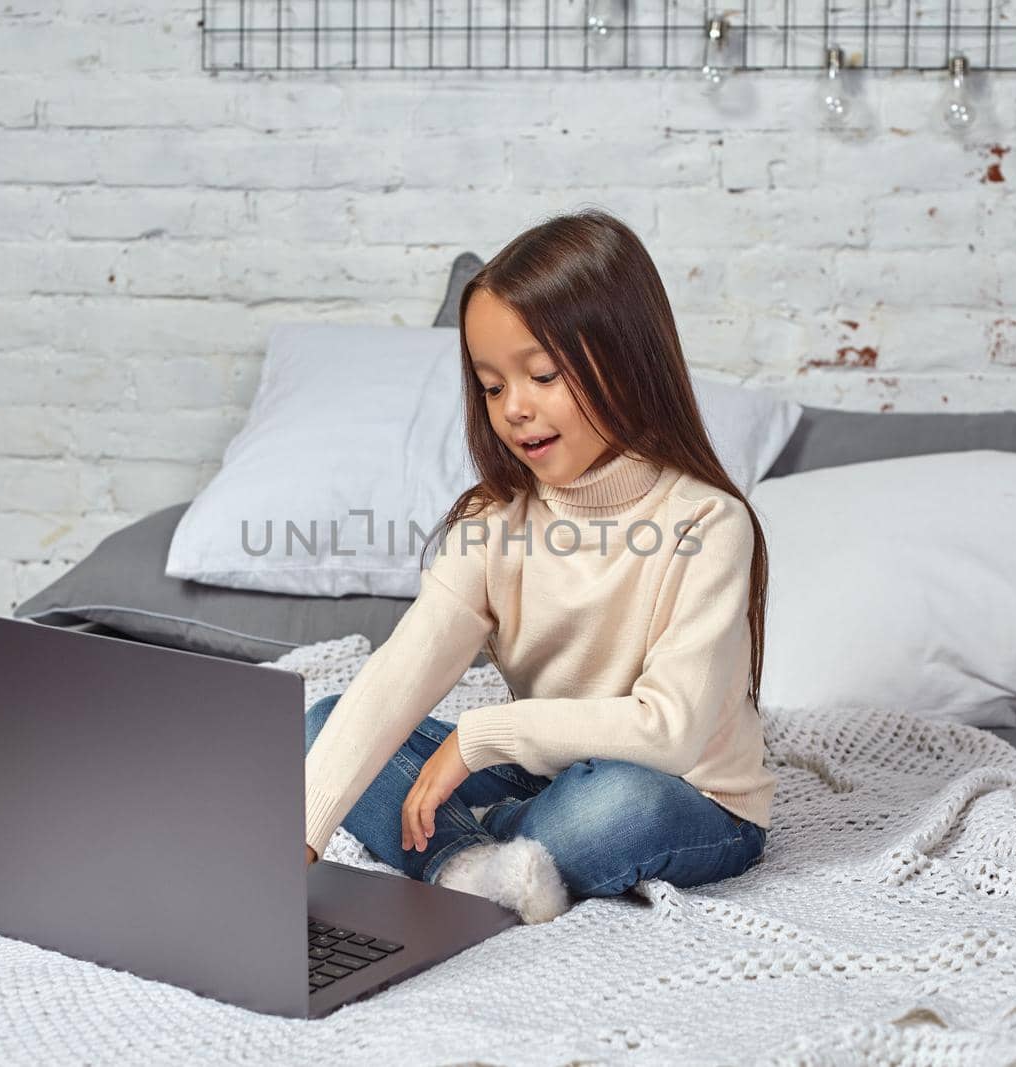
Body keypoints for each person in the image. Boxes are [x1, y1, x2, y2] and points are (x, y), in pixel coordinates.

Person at [303, 208, 777, 924]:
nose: (515, 409)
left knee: (617, 804)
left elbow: (670, 732)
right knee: (325, 722)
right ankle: (470, 865)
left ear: (626, 357)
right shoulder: (495, 524)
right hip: (545, 770)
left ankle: (479, 844)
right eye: (493, 387)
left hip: (686, 791)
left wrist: (479, 737)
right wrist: (301, 834)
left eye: (543, 374)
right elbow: (399, 675)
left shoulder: (708, 523)